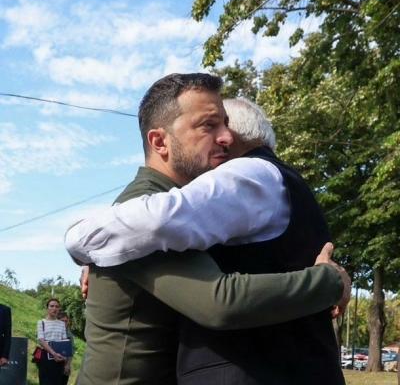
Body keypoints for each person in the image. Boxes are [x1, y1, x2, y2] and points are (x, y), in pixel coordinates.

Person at [65, 74, 349, 385]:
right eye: (208, 125)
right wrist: (330, 281)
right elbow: (220, 303)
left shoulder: (184, 216)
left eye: (225, 124)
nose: (226, 136)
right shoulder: (147, 212)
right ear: (160, 142)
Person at [36, 298, 67, 385]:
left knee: (57, 382)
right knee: (45, 382)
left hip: (59, 358)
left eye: (57, 306)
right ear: (47, 308)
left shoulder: (61, 324)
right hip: (45, 357)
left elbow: (64, 341)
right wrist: (53, 353)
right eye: (52, 306)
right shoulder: (41, 322)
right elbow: (41, 340)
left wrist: (64, 357)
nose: (54, 308)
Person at [57, 312, 75, 385]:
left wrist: (68, 365)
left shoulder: (69, 335)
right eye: (62, 321)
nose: (64, 323)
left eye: (66, 321)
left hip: (64, 364)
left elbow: (71, 351)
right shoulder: (53, 332)